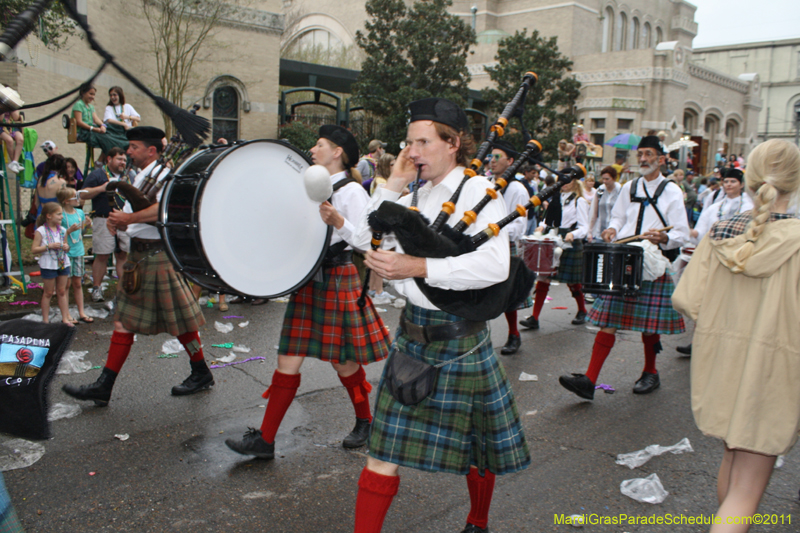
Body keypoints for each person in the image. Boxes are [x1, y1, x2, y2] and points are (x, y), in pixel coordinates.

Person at [350, 98, 530, 533]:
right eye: (409, 143)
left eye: (423, 142)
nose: (412, 152)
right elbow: (361, 237)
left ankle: (478, 522)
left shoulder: (477, 194)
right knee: (382, 452)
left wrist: (418, 267)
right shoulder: (416, 192)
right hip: (412, 336)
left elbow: (494, 267)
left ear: (453, 144)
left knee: (478, 445)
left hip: (458, 341)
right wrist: (392, 184)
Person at [225, 125, 391, 459]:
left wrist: (337, 220)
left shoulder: (352, 192)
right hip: (309, 280)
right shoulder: (311, 187)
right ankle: (265, 440)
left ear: (337, 152)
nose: (312, 150)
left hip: (337, 276)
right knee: (288, 358)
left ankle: (366, 420)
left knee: (344, 364)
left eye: (320, 145)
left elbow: (367, 240)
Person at [672, 139, 800, 532]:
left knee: (732, 464)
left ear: (748, 181)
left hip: (720, 364)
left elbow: (687, 298)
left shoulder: (720, 230)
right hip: (772, 370)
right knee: (747, 488)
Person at [62, 126, 212, 406]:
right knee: (125, 321)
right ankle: (105, 386)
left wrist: (128, 221)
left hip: (156, 256)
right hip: (139, 257)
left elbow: (164, 209)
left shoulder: (166, 176)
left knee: (180, 324)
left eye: (133, 147)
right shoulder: (143, 175)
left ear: (151, 150)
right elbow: (136, 209)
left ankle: (200, 372)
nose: (128, 151)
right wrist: (118, 220)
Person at [558, 135, 689, 399]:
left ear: (661, 159)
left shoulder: (673, 191)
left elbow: (682, 232)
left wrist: (665, 238)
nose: (642, 159)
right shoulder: (630, 187)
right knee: (609, 318)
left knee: (649, 325)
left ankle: (650, 371)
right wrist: (611, 230)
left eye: (649, 154)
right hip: (625, 257)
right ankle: (589, 380)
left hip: (652, 261)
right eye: (640, 154)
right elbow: (618, 218)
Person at [519, 174, 590, 330]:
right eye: (562, 181)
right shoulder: (555, 199)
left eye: (568, 181)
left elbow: (584, 227)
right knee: (544, 277)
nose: (563, 184)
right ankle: (535, 318)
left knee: (573, 282)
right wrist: (542, 226)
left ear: (574, 182)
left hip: (569, 240)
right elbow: (547, 220)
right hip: (552, 238)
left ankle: (582, 310)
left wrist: (574, 234)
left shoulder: (580, 201)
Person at [488, 141, 530, 355]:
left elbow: (519, 227)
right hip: (484, 245)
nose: (491, 160)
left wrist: (494, 231)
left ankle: (514, 334)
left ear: (510, 161)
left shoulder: (517, 189)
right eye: (490, 156)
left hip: (505, 245)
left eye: (497, 157)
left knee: (508, 294)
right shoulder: (484, 183)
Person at [79, 147, 132, 301]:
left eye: (124, 159)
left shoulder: (129, 175)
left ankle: (123, 291)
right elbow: (82, 194)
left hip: (124, 219)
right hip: (104, 219)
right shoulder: (97, 174)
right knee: (102, 255)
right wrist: (102, 188)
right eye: (119, 159)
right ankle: (96, 289)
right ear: (109, 159)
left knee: (122, 254)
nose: (123, 162)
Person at [31, 203, 73, 326]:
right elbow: (34, 249)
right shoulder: (41, 231)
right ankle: (45, 320)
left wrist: (66, 247)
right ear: (49, 216)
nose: (61, 216)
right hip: (48, 263)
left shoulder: (63, 230)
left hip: (63, 263)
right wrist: (48, 246)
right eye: (59, 214)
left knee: (62, 291)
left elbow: (67, 246)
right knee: (48, 292)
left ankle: (65, 318)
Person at [58, 187, 93, 324]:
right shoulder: (60, 214)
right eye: (75, 197)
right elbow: (58, 234)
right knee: (65, 284)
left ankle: (81, 312)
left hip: (78, 250)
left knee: (77, 283)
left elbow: (80, 233)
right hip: (65, 253)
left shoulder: (79, 213)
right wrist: (68, 231)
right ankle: (66, 314)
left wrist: (87, 226)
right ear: (66, 201)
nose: (78, 199)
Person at [72, 83, 128, 157]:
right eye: (90, 94)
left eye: (94, 94)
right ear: (83, 93)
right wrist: (94, 129)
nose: (92, 96)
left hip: (92, 129)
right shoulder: (78, 105)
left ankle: (123, 143)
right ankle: (108, 158)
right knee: (107, 138)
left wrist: (102, 125)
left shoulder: (91, 107)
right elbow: (79, 122)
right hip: (83, 132)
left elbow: (96, 119)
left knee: (112, 130)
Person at [589, 166, 622, 242]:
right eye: (603, 179)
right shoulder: (600, 190)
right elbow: (594, 211)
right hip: (600, 231)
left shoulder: (620, 190)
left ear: (614, 178)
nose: (604, 181)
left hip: (615, 233)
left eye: (607, 179)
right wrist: (590, 231)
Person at [1, 108, 23, 174]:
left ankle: (15, 162)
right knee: (9, 140)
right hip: (1, 126)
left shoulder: (11, 104)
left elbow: (16, 117)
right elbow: (1, 119)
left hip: (11, 125)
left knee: (20, 139)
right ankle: (13, 162)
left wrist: (12, 107)